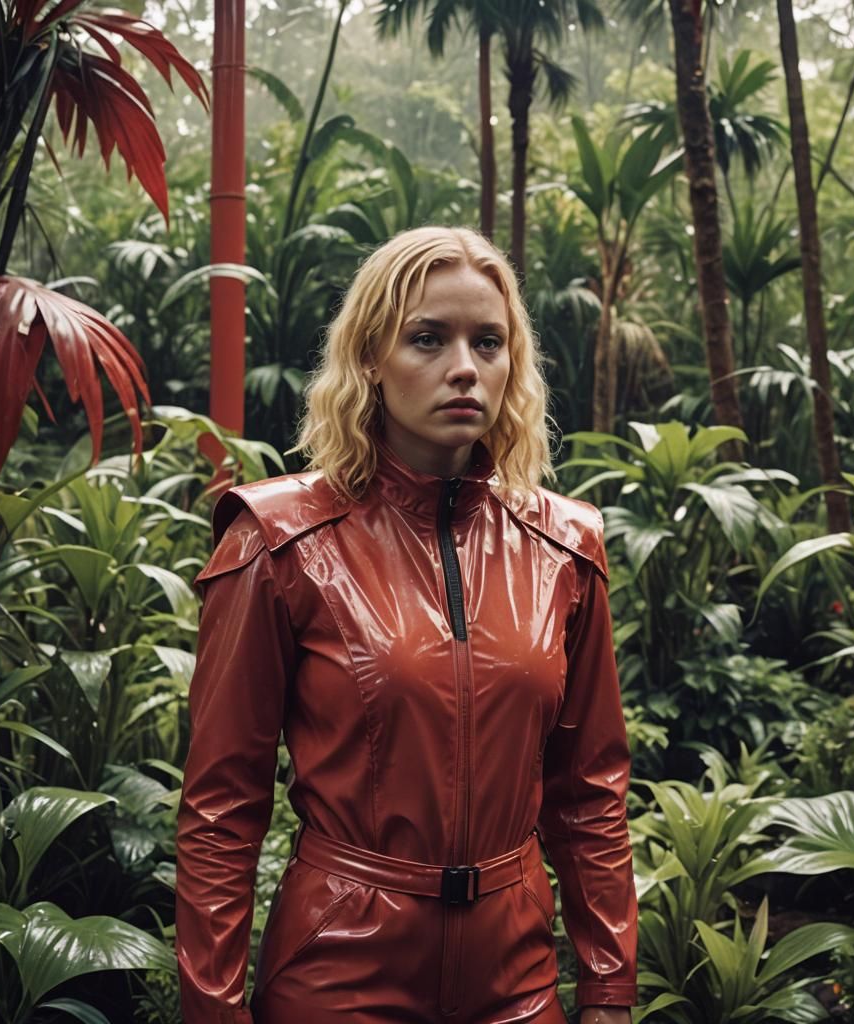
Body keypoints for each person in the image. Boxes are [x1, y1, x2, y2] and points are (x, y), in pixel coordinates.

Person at [175, 226, 638, 1024]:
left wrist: (607, 988)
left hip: (516, 977)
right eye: (428, 338)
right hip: (339, 972)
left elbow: (589, 793)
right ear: (369, 359)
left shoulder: (565, 546)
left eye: (487, 342)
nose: (464, 367)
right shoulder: (280, 542)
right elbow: (222, 808)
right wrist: (213, 1009)